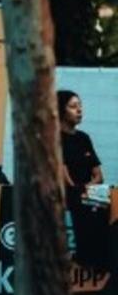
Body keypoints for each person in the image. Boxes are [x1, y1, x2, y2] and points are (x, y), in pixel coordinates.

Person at [58, 90, 108, 270]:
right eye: (73, 106)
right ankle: (84, 260)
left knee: (108, 203)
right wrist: (83, 190)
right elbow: (66, 178)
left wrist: (90, 188)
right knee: (84, 204)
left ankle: (102, 262)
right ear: (61, 111)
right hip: (70, 192)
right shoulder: (55, 138)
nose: (79, 110)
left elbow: (99, 175)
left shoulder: (84, 138)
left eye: (80, 106)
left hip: (90, 191)